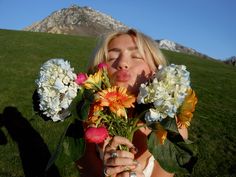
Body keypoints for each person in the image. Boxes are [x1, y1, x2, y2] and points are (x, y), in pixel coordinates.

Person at [77, 29, 188, 177]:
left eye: (136, 56)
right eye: (111, 58)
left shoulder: (172, 129)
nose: (122, 63)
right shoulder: (88, 121)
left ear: (156, 70)